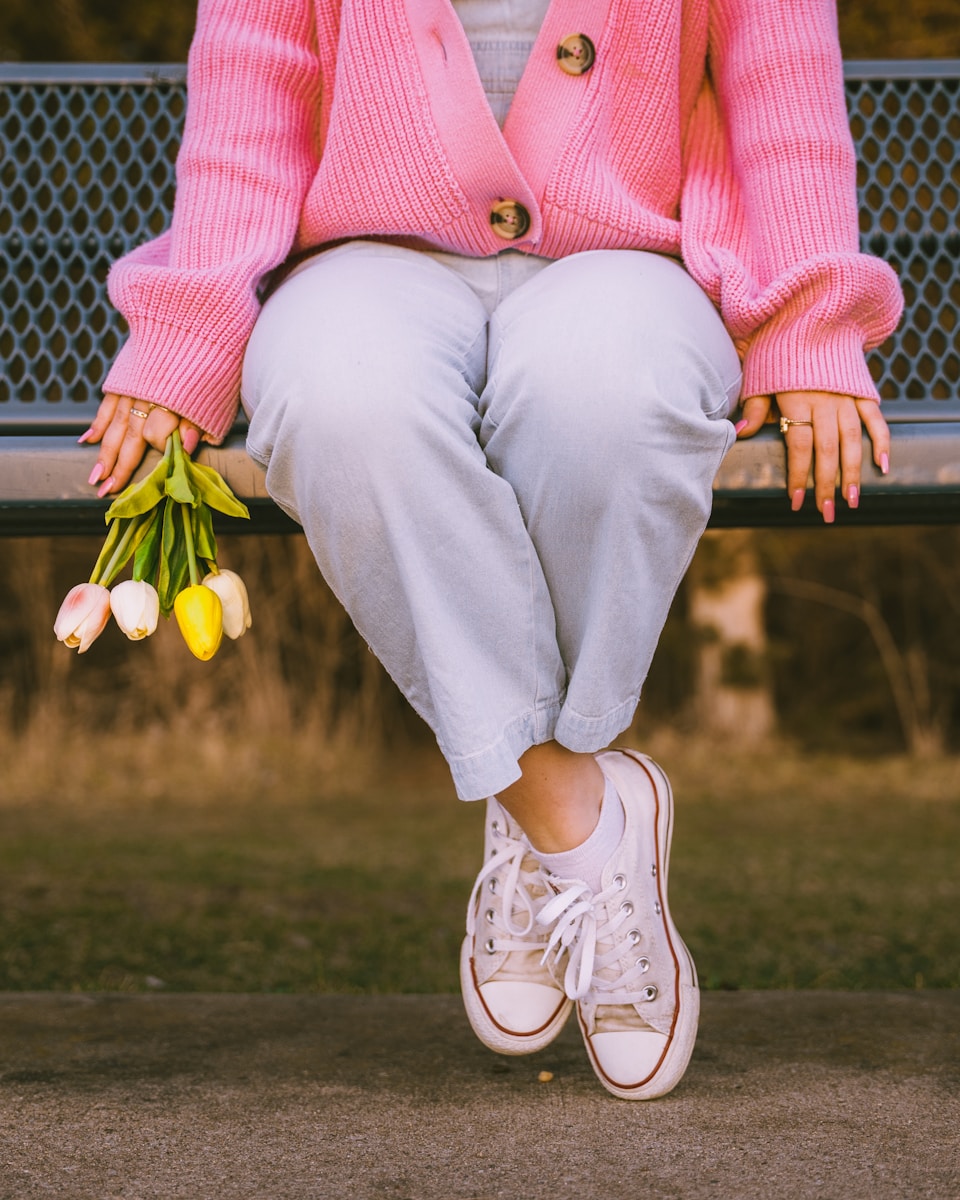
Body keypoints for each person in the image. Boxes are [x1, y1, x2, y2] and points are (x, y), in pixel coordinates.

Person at [79, 0, 903, 1100]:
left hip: (629, 254)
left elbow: (780, 86)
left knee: (611, 404)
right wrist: (184, 335)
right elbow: (252, 98)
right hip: (364, 261)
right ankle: (575, 817)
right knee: (339, 406)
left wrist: (809, 320)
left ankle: (532, 820)